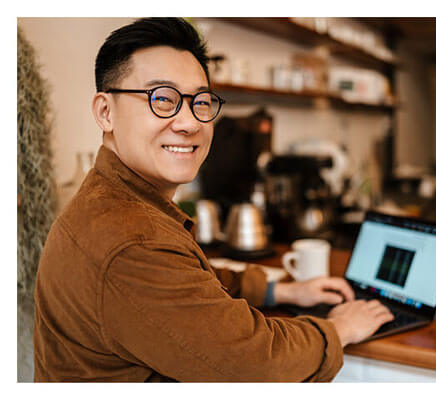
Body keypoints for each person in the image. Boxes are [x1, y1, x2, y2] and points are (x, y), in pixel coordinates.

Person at [33, 17, 393, 382]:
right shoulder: (131, 242)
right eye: (163, 99)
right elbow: (256, 363)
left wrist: (279, 289)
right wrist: (339, 329)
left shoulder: (113, 201)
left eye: (200, 102)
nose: (189, 122)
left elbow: (185, 284)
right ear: (105, 112)